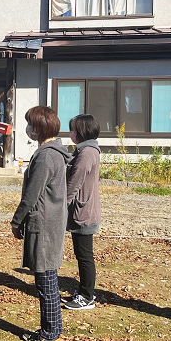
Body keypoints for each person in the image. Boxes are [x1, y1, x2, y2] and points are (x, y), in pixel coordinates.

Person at [11, 106, 71, 341]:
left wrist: (16, 221)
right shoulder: (54, 152)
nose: (28, 129)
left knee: (46, 282)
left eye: (30, 124)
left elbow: (31, 195)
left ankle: (50, 335)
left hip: (45, 224)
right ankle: (51, 329)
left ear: (38, 128)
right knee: (48, 280)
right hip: (51, 221)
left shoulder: (46, 156)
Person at [64, 114, 101, 311]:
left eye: (73, 130)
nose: (71, 134)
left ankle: (87, 297)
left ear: (81, 132)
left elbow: (74, 183)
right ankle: (84, 291)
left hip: (84, 212)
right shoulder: (88, 150)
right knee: (82, 254)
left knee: (85, 255)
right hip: (85, 208)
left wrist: (62, 206)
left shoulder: (87, 152)